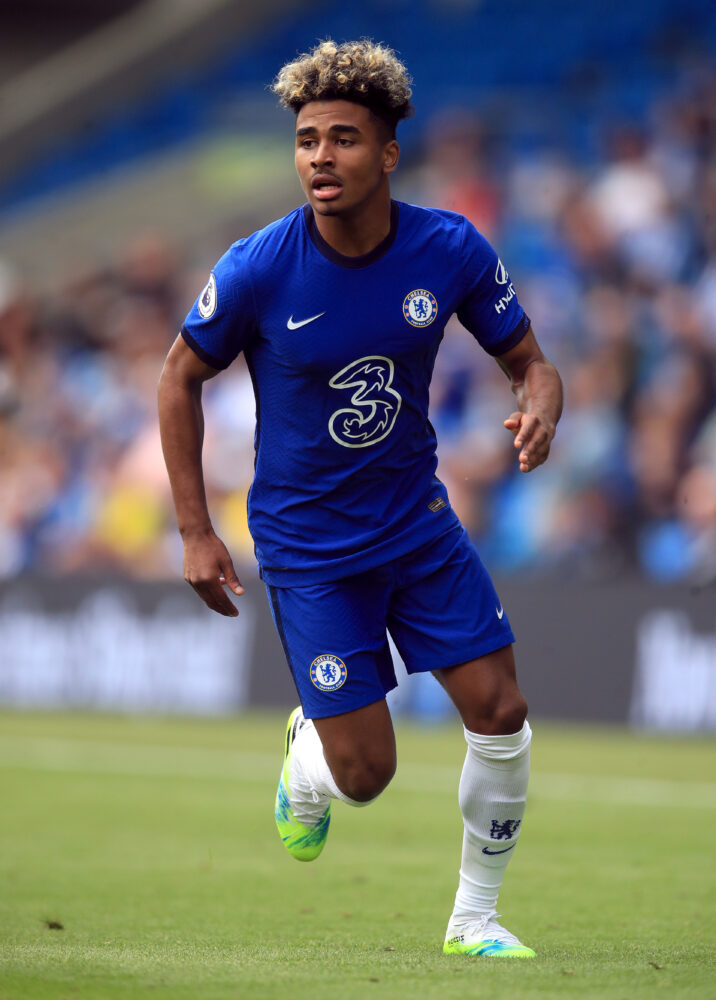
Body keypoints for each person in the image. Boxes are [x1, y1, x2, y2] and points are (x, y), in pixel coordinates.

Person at [158, 39, 563, 959]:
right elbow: (178, 378)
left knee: (501, 711)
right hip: (309, 549)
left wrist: (539, 408)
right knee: (367, 775)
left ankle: (474, 920)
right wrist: (194, 530)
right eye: (307, 140)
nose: (320, 157)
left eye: (343, 139)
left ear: (387, 154)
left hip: (417, 525)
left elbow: (532, 364)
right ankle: (308, 757)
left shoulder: (448, 248)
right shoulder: (258, 267)